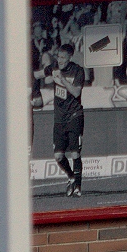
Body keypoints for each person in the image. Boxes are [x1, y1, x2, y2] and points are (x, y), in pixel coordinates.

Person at [51, 55, 86, 194]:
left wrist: (62, 80)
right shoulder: (54, 67)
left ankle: (78, 186)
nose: (60, 60)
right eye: (58, 56)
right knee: (58, 156)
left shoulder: (77, 71)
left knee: (75, 153)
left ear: (70, 58)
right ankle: (71, 177)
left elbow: (76, 92)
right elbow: (39, 74)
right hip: (59, 119)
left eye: (63, 57)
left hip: (74, 116)